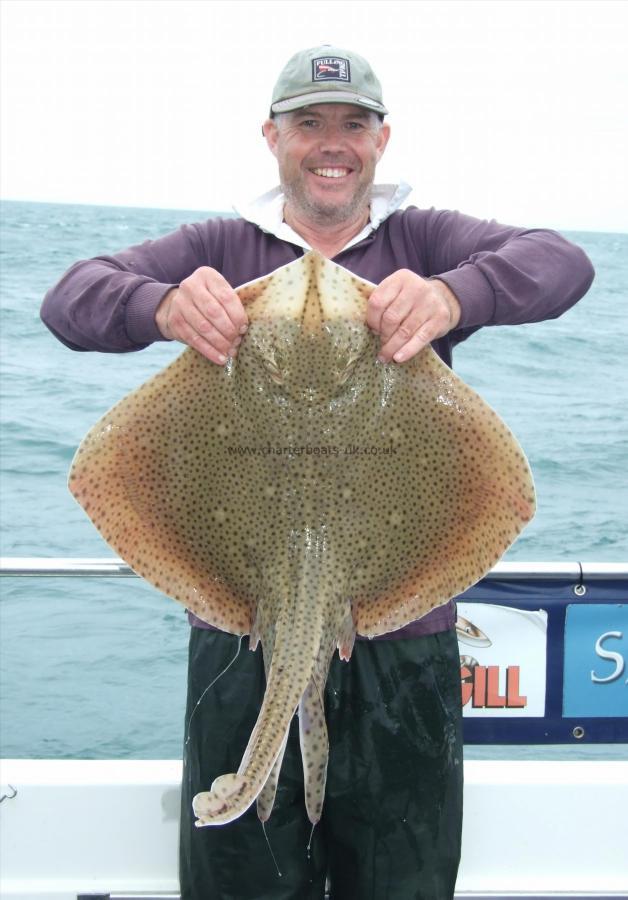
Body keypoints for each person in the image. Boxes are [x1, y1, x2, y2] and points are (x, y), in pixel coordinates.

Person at [41, 44, 594, 900]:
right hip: (241, 625)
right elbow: (70, 298)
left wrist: (454, 297)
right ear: (273, 137)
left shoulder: (423, 238)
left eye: (352, 125)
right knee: (244, 883)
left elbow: (562, 263)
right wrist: (156, 304)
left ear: (381, 140)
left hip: (399, 632)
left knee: (398, 878)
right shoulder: (219, 245)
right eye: (309, 124)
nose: (331, 143)